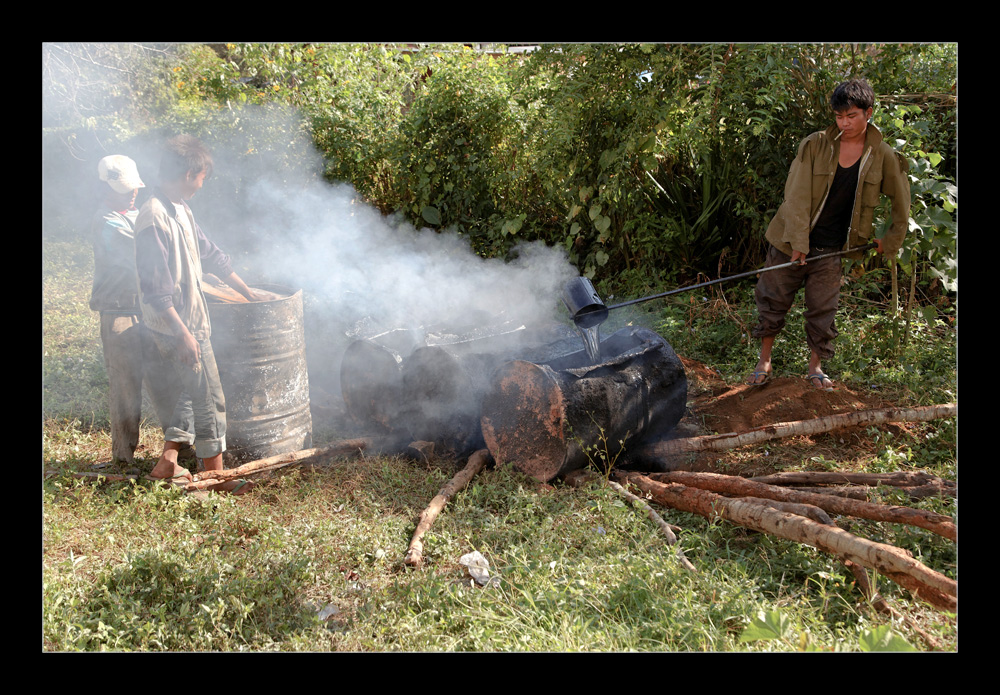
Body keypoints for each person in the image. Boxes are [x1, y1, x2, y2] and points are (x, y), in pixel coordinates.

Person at [746, 78, 911, 391]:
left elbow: (901, 203)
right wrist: (798, 244)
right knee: (772, 298)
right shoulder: (815, 144)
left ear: (868, 113)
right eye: (839, 116)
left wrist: (887, 240)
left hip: (833, 249)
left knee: (823, 309)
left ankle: (815, 367)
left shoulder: (883, 156)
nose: (844, 123)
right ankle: (764, 359)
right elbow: (795, 196)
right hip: (789, 241)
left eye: (851, 116)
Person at [134, 135, 259, 493]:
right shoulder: (154, 217)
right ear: (190, 173)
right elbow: (156, 290)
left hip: (187, 324)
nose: (203, 183)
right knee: (210, 401)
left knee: (191, 393)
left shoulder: (179, 207)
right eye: (202, 176)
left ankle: (167, 462)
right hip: (178, 327)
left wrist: (247, 292)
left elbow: (210, 253)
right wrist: (185, 335)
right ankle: (216, 479)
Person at [89, 155, 177, 466]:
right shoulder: (107, 223)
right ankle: (122, 459)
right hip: (120, 313)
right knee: (126, 387)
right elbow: (146, 253)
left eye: (133, 188)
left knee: (165, 380)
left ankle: (178, 449)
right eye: (125, 189)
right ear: (104, 189)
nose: (132, 193)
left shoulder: (139, 213)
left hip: (149, 310)